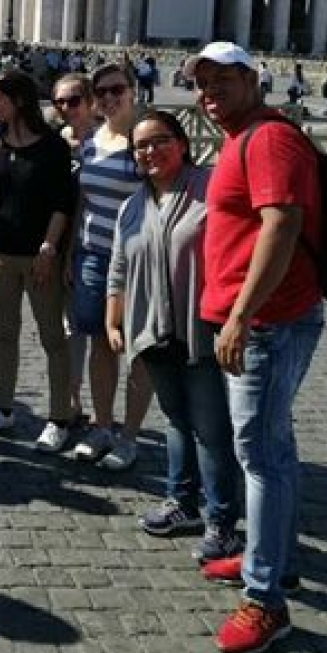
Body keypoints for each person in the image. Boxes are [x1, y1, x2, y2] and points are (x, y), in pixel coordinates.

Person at [187, 41, 323, 653]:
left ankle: (266, 600)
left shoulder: (268, 139)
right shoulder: (246, 137)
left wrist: (239, 316)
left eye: (220, 82)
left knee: (260, 454)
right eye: (200, 84)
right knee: (276, 447)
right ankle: (277, 557)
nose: (207, 94)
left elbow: (282, 223)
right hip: (261, 318)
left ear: (251, 79)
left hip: (267, 322)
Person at [106, 110, 240, 559]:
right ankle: (182, 502)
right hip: (150, 328)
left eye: (159, 140)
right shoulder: (132, 204)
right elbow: (119, 266)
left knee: (211, 429)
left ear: (182, 143)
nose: (149, 151)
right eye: (140, 146)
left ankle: (223, 522)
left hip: (199, 328)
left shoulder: (208, 187)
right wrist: (113, 319)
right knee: (176, 421)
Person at [0, 71, 76, 450]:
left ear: (18, 101)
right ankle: (3, 408)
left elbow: (62, 204)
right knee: (4, 335)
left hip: (39, 258)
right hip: (0, 254)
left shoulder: (52, 147)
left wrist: (49, 249)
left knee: (52, 338)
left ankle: (59, 418)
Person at [70, 61, 153, 471]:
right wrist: (72, 251)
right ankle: (102, 425)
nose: (108, 98)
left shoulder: (146, 139)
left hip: (139, 259)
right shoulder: (90, 140)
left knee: (137, 344)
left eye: (116, 89)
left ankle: (130, 435)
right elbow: (82, 201)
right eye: (100, 93)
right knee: (101, 344)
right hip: (92, 254)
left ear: (133, 90)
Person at [51, 72, 100, 422]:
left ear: (90, 102)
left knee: (87, 326)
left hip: (91, 243)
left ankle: (93, 405)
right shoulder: (57, 139)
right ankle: (70, 397)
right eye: (60, 102)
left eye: (74, 101)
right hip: (57, 242)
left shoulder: (107, 141)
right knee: (65, 325)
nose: (66, 108)